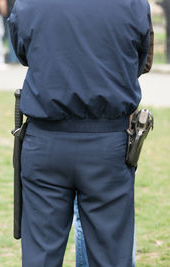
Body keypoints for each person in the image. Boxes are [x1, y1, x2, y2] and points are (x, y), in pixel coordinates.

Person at [8, 0, 151, 266]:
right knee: (111, 254)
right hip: (107, 141)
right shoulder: (132, 3)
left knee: (40, 255)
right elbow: (140, 59)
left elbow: (23, 52)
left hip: (46, 141)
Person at [73, 18, 155, 266]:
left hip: (102, 121)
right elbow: (145, 59)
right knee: (116, 213)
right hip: (114, 120)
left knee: (95, 214)